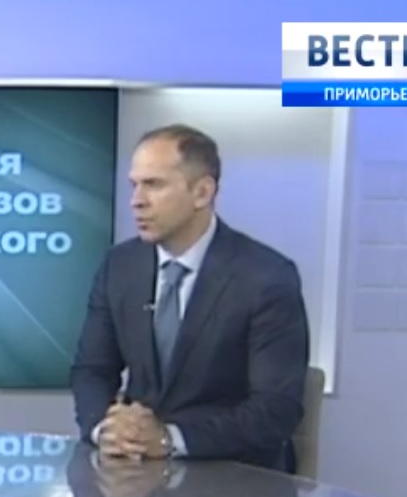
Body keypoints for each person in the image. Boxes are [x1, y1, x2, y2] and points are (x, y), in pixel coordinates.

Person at [69, 124, 310, 472]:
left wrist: (170, 438)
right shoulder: (120, 266)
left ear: (202, 192)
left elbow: (276, 409)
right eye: (134, 185)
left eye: (154, 185)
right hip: (134, 476)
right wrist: (105, 429)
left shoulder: (266, 277)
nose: (137, 201)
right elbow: (92, 369)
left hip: (236, 479)